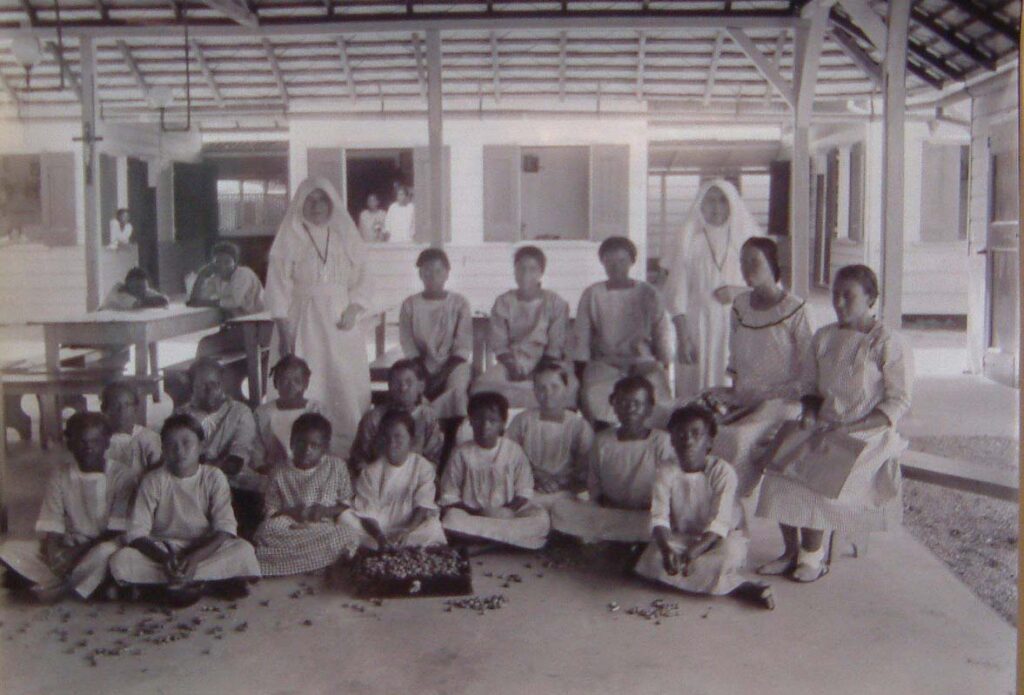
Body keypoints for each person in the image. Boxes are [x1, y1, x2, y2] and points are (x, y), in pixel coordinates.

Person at [756, 265, 912, 583]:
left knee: (818, 475)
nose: (839, 303)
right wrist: (811, 416)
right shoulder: (823, 337)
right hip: (825, 424)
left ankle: (812, 557)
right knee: (779, 471)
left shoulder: (888, 343)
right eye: (835, 295)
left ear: (871, 298)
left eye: (848, 296)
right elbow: (811, 389)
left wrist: (851, 428)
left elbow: (898, 402)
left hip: (868, 433)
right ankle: (790, 552)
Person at [650, 236, 814, 497]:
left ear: (772, 264)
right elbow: (736, 357)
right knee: (672, 412)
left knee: (735, 440)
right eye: (742, 261)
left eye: (754, 261)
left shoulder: (795, 310)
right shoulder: (740, 306)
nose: (746, 267)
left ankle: (723, 503)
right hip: (742, 395)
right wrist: (733, 391)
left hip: (782, 402)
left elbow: (809, 370)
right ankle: (676, 492)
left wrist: (762, 395)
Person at [265, 177, 374, 457]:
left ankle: (346, 449)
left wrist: (354, 308)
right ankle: (300, 450)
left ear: (332, 203)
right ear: (300, 203)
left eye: (322, 199)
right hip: (301, 321)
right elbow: (277, 286)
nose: (316, 206)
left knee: (343, 382)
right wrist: (285, 329)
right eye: (310, 200)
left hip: (340, 322)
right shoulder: (290, 236)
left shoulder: (345, 236)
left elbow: (363, 278)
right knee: (307, 381)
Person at [109, 414, 261, 607]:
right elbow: (137, 532)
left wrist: (195, 558)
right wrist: (165, 559)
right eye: (171, 445)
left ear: (201, 447)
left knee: (243, 551)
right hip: (164, 548)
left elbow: (225, 527)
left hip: (203, 549)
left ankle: (162, 585)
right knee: (121, 560)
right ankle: (206, 581)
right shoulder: (153, 480)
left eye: (186, 442)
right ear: (163, 449)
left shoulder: (213, 477)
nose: (179, 450)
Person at [633, 405, 775, 610]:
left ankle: (743, 587)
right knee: (654, 558)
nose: (688, 440)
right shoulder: (665, 470)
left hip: (721, 538)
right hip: (682, 536)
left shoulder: (723, 472)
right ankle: (727, 584)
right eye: (680, 434)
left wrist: (694, 552)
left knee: (726, 556)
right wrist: (666, 549)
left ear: (709, 441)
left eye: (696, 434)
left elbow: (720, 523)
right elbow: (659, 516)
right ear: (671, 440)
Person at [0, 413, 135, 602]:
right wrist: (54, 553)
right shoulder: (60, 475)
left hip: (103, 545)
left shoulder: (122, 476)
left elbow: (115, 530)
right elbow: (52, 524)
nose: (88, 447)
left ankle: (61, 588)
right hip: (70, 544)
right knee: (8, 549)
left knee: (107, 554)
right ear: (70, 444)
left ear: (107, 443)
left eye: (95, 441)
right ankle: (84, 584)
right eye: (81, 441)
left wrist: (75, 554)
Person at [663, 179, 761, 401]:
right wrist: (683, 336)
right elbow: (676, 294)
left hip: (738, 325)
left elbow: (770, 288)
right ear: (700, 205)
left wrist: (738, 292)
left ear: (732, 204)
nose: (716, 208)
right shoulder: (689, 241)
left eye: (722, 201)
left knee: (732, 382)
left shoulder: (747, 241)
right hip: (697, 326)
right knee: (694, 383)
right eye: (710, 201)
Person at [550, 376, 674, 543]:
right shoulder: (602, 440)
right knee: (561, 509)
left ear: (649, 408)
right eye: (623, 402)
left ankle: (619, 538)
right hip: (611, 512)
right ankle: (624, 538)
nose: (630, 408)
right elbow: (595, 485)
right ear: (613, 406)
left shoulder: (662, 441)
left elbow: (669, 488)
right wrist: (603, 503)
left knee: (656, 524)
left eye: (637, 403)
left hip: (647, 515)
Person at [575, 237, 673, 425]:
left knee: (659, 400)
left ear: (631, 261)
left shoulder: (648, 293)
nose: (616, 267)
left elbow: (662, 332)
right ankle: (608, 436)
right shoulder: (593, 294)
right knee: (596, 397)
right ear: (602, 262)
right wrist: (581, 370)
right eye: (609, 261)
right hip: (606, 362)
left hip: (642, 361)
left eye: (621, 261)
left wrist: (663, 364)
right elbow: (582, 335)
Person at [440, 392, 551, 551]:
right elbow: (449, 495)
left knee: (540, 520)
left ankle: (485, 544)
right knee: (450, 520)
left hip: (507, 515)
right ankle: (504, 542)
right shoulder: (461, 453)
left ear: (503, 423)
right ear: (470, 420)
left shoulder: (513, 451)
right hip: (474, 515)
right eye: (478, 419)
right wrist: (478, 512)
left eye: (492, 420)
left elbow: (524, 491)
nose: (485, 425)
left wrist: (506, 511)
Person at [254, 413, 360, 576]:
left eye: (314, 445)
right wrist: (291, 513)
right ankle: (317, 562)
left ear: (325, 448)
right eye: (301, 443)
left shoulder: (337, 467)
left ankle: (287, 562)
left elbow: (347, 505)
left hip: (322, 528)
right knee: (266, 530)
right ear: (291, 442)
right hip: (290, 527)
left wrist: (325, 511)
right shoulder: (279, 471)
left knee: (348, 534)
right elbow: (270, 510)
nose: (306, 450)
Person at [472, 246, 577, 409]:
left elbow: (556, 343)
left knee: (568, 388)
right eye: (521, 268)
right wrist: (513, 367)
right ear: (514, 271)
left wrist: (540, 370)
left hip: (548, 362)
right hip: (513, 362)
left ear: (541, 272)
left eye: (532, 269)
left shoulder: (555, 302)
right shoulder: (504, 302)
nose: (526, 274)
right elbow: (499, 342)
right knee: (484, 386)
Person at [176, 357, 261, 540]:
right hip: (191, 483)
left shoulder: (240, 412)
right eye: (202, 385)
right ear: (192, 386)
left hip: (234, 483)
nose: (210, 391)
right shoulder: (181, 415)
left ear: (223, 384)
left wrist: (203, 467)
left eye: (215, 384)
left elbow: (237, 460)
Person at [345, 410, 447, 549]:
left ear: (411, 439)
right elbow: (367, 512)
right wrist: (379, 536)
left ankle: (397, 543)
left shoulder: (422, 467)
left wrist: (407, 530)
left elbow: (423, 504)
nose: (392, 443)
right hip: (378, 526)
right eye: (387, 437)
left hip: (411, 527)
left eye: (398, 437)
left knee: (433, 528)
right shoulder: (371, 471)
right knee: (345, 520)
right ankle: (384, 544)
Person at [186, 241, 267, 402]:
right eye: (217, 262)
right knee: (206, 346)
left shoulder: (243, 274)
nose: (222, 266)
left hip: (258, 330)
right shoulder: (217, 279)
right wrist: (202, 276)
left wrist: (205, 302)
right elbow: (194, 300)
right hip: (238, 331)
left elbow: (234, 301)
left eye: (227, 262)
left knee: (205, 346)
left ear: (235, 263)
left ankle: (200, 390)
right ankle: (202, 391)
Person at [505, 362, 594, 509]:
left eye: (555, 387)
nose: (548, 393)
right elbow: (509, 456)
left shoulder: (579, 425)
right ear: (534, 390)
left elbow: (586, 466)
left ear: (566, 388)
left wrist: (561, 482)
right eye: (541, 388)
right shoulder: (522, 421)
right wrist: (536, 478)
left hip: (566, 491)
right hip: (529, 489)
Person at [399, 249, 473, 420]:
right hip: (420, 364)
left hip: (453, 365)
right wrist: (422, 371)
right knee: (410, 387)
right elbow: (407, 342)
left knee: (457, 389)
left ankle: (452, 429)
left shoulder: (459, 303)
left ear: (447, 273)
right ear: (420, 274)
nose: (432, 276)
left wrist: (442, 375)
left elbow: (462, 346)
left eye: (438, 270)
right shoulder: (410, 304)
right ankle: (421, 426)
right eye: (427, 271)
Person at [349, 358, 445, 474]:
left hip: (416, 478)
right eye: (396, 383)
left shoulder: (428, 417)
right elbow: (359, 458)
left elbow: (433, 458)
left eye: (409, 383)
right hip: (378, 478)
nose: (403, 388)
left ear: (421, 386)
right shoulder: (374, 418)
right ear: (389, 386)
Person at [252, 355, 326, 475]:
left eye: (297, 381)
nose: (291, 386)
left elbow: (326, 447)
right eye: (285, 380)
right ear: (276, 383)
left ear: (306, 384)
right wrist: (263, 468)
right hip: (274, 473)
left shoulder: (317, 409)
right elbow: (256, 449)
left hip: (312, 473)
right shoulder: (262, 413)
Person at [101, 381, 162, 478]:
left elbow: (158, 475)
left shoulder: (148, 438)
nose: (121, 411)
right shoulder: (99, 440)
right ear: (104, 409)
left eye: (127, 405)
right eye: (114, 405)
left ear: (135, 408)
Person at [100, 267, 169, 311]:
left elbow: (164, 299)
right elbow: (138, 305)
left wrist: (161, 299)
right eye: (137, 287)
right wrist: (154, 300)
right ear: (127, 284)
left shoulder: (143, 291)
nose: (140, 292)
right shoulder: (119, 291)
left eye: (143, 288)